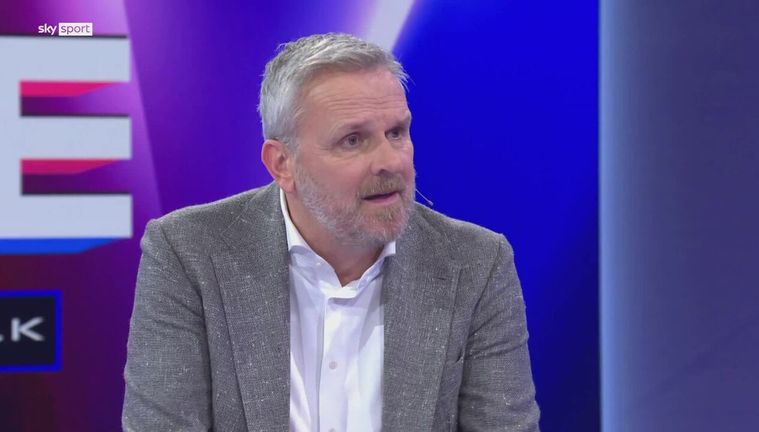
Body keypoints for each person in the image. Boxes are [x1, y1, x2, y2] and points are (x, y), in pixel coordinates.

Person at [122, 33, 540, 432]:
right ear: (282, 164)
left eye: (396, 133)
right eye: (353, 140)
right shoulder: (188, 254)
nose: (390, 162)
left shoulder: (477, 264)